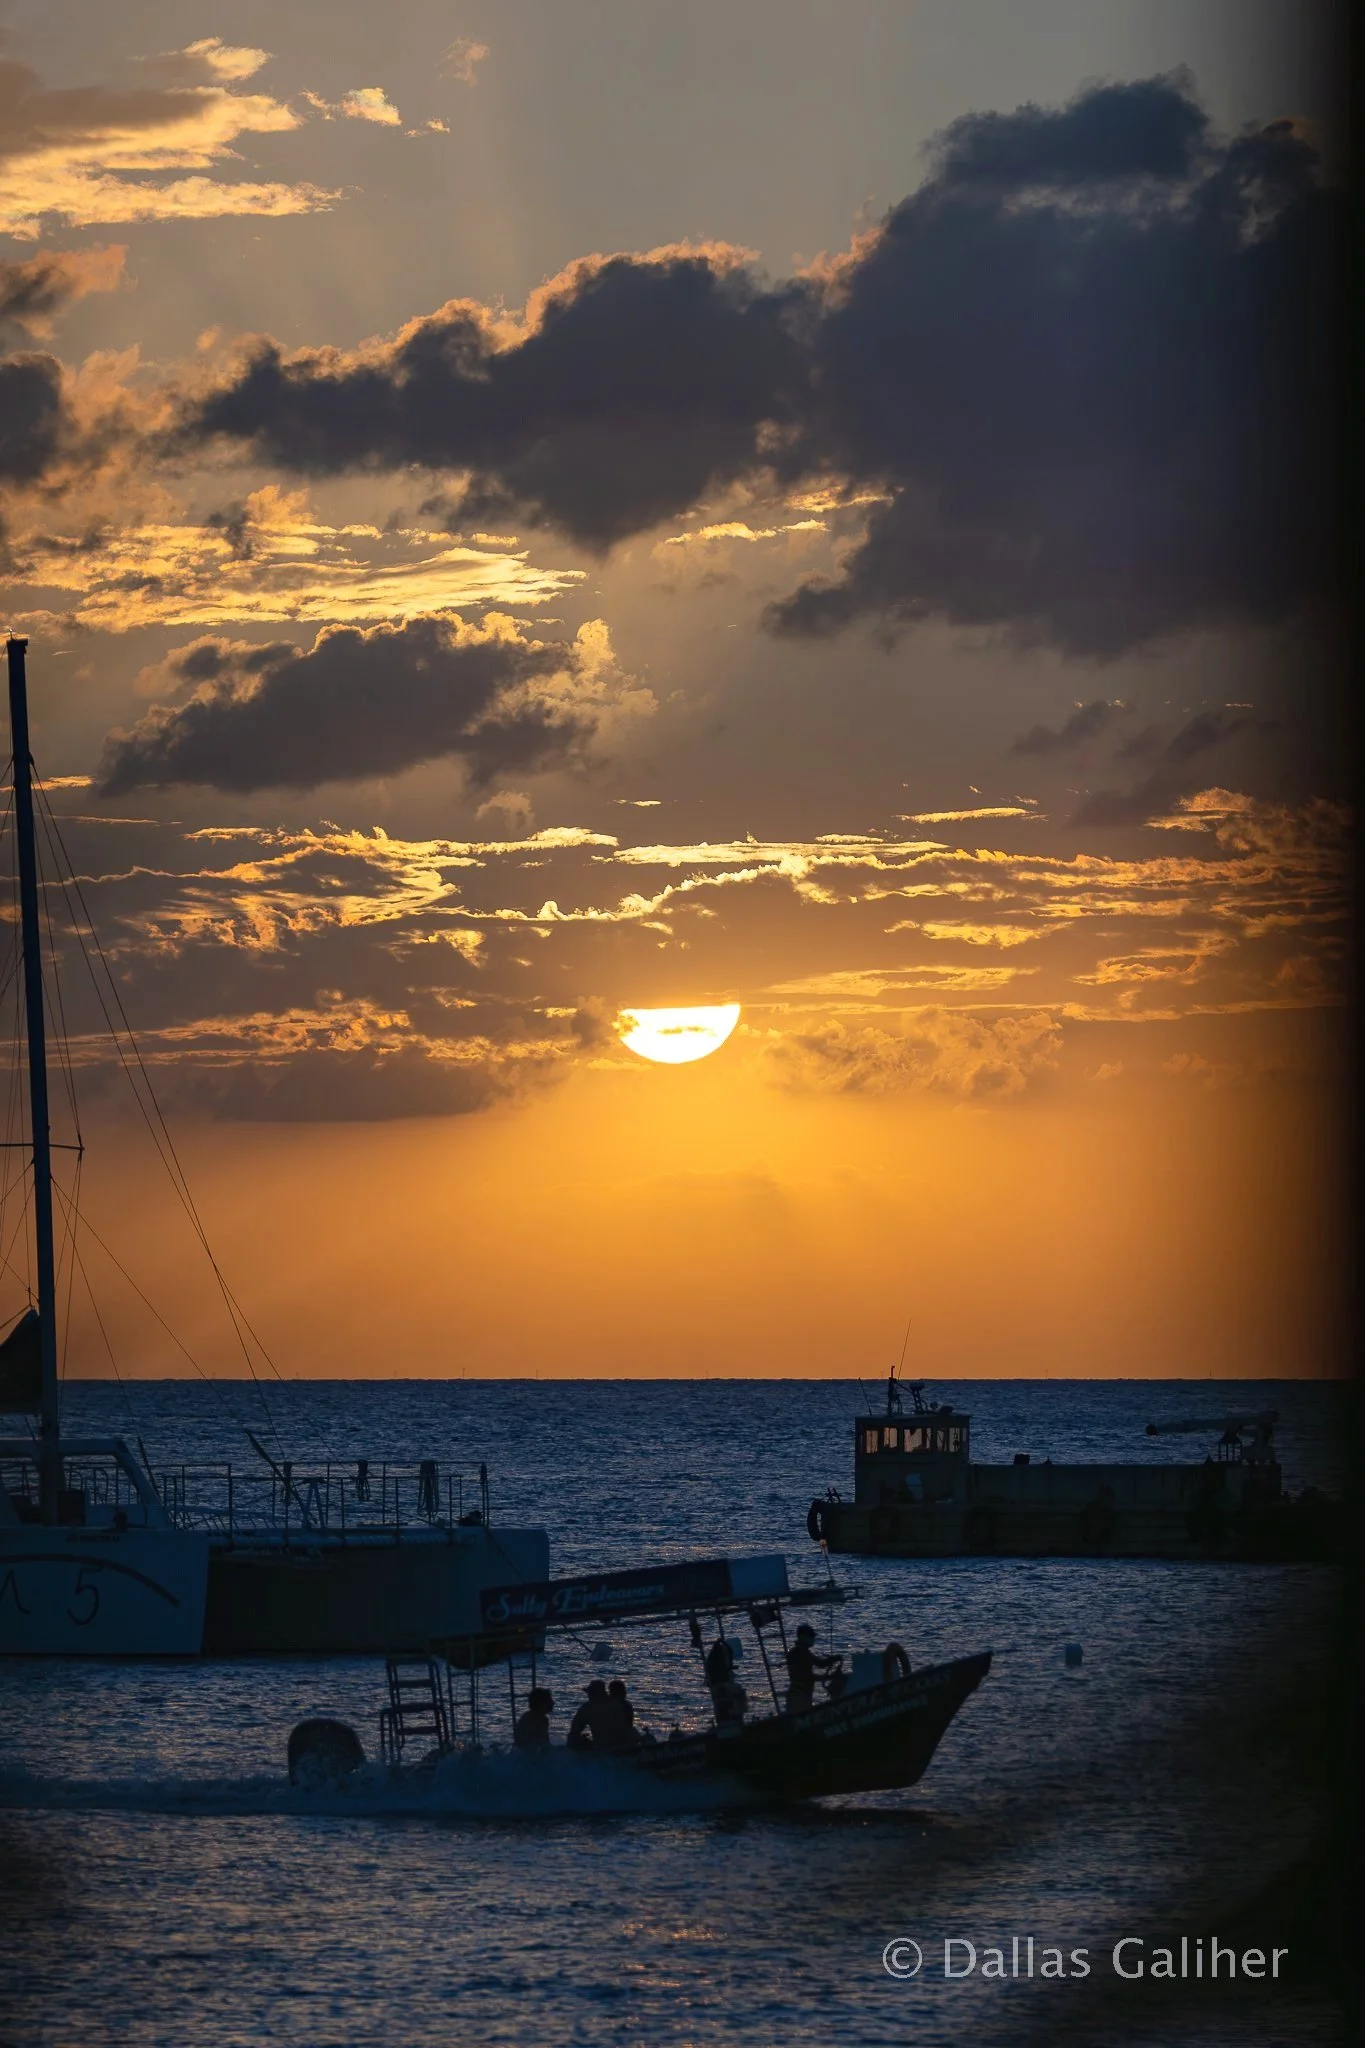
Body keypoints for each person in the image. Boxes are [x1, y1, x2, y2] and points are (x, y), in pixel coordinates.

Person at [785, 1622, 839, 1715]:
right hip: (799, 1695)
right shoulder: (800, 1653)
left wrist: (833, 1659)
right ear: (803, 1637)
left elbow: (820, 1664)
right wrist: (827, 1676)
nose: (813, 1639)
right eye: (811, 1637)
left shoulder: (803, 1652)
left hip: (802, 1694)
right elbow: (809, 1675)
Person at [704, 1635, 748, 1725]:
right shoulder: (719, 1657)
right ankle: (732, 1718)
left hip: (719, 1683)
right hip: (721, 1683)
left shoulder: (714, 1657)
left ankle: (731, 1718)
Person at [567, 1678, 611, 1750]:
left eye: (590, 1693)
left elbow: (575, 1730)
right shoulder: (616, 1703)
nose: (588, 1696)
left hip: (602, 1745)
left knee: (573, 1740)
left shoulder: (587, 1708)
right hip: (622, 1742)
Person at [597, 1677, 636, 1750]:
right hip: (618, 1740)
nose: (625, 1693)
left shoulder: (602, 1704)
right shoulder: (625, 1705)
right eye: (623, 1690)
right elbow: (628, 1725)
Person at [514, 1686, 555, 1751]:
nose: (553, 1702)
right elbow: (542, 1745)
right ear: (542, 1704)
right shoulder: (536, 1719)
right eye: (549, 1700)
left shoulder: (534, 1717)